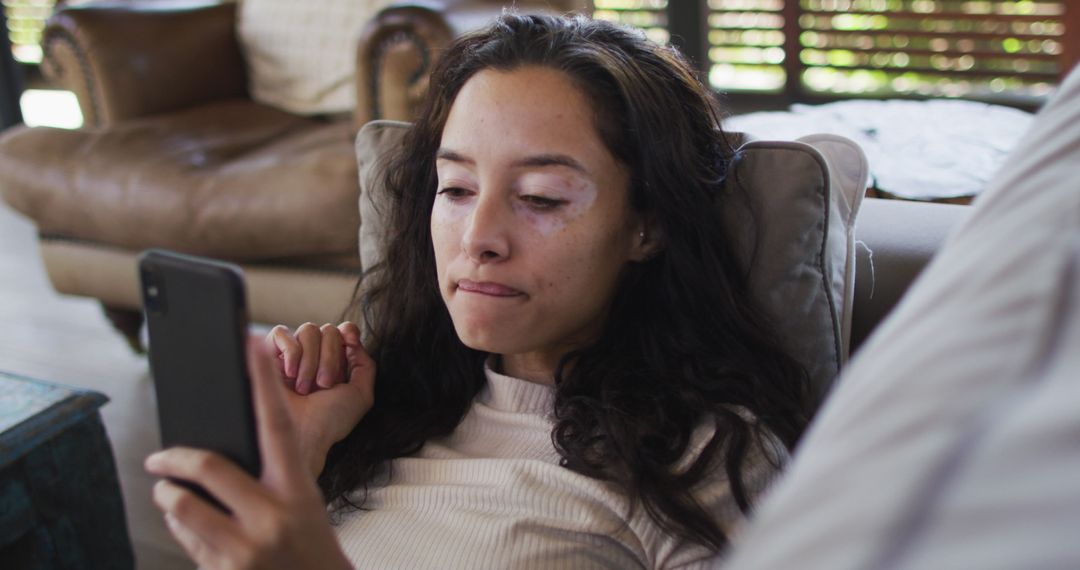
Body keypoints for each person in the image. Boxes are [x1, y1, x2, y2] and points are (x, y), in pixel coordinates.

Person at [144, 13, 811, 569]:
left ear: (647, 226)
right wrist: (300, 458)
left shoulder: (707, 460)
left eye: (541, 197)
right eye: (457, 190)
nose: (480, 237)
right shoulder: (381, 411)